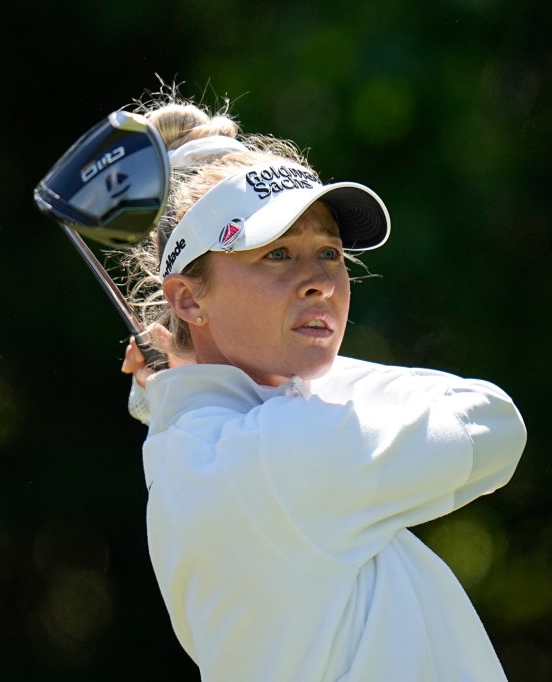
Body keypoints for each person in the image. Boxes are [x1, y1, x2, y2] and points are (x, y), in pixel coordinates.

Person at [117, 88, 527, 681]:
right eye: (278, 254)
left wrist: (188, 378)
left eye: (329, 253)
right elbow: (493, 423)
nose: (319, 281)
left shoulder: (189, 450)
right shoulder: (283, 451)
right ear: (187, 296)